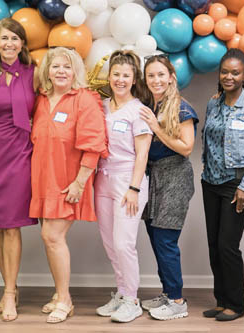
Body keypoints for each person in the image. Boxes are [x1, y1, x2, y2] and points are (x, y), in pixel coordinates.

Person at [31, 47, 108, 323]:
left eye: (67, 66)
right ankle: (58, 294)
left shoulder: (85, 99)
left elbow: (95, 145)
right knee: (50, 239)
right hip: (43, 179)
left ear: (75, 71)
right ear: (47, 71)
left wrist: (79, 182)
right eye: (55, 66)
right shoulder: (41, 100)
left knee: (52, 237)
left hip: (69, 181)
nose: (61, 71)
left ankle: (65, 299)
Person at [201, 48, 244, 321]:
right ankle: (221, 299)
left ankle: (236, 304)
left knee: (228, 245)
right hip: (211, 182)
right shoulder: (213, 103)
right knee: (214, 244)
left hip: (236, 183)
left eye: (235, 72)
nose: (229, 76)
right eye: (225, 72)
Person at [0, 18, 38, 322]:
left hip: (22, 152)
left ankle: (10, 293)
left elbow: (56, 102)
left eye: (15, 38)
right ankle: (8, 287)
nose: (10, 44)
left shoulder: (35, 73)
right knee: (0, 225)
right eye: (4, 38)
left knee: (12, 224)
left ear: (22, 43)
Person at [93, 50, 152, 323]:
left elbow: (142, 154)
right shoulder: (101, 105)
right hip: (102, 179)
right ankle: (121, 292)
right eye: (116, 74)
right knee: (109, 243)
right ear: (109, 76)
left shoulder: (139, 110)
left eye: (125, 75)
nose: (119, 79)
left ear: (134, 78)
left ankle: (132, 300)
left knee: (123, 242)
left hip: (128, 180)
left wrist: (134, 188)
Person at [139, 54, 198, 320]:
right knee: (155, 237)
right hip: (154, 178)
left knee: (166, 240)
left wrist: (156, 127)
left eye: (161, 74)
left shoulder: (182, 108)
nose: (156, 80)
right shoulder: (152, 104)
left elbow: (186, 148)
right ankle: (167, 292)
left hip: (175, 177)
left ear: (171, 77)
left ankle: (177, 301)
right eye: (151, 75)